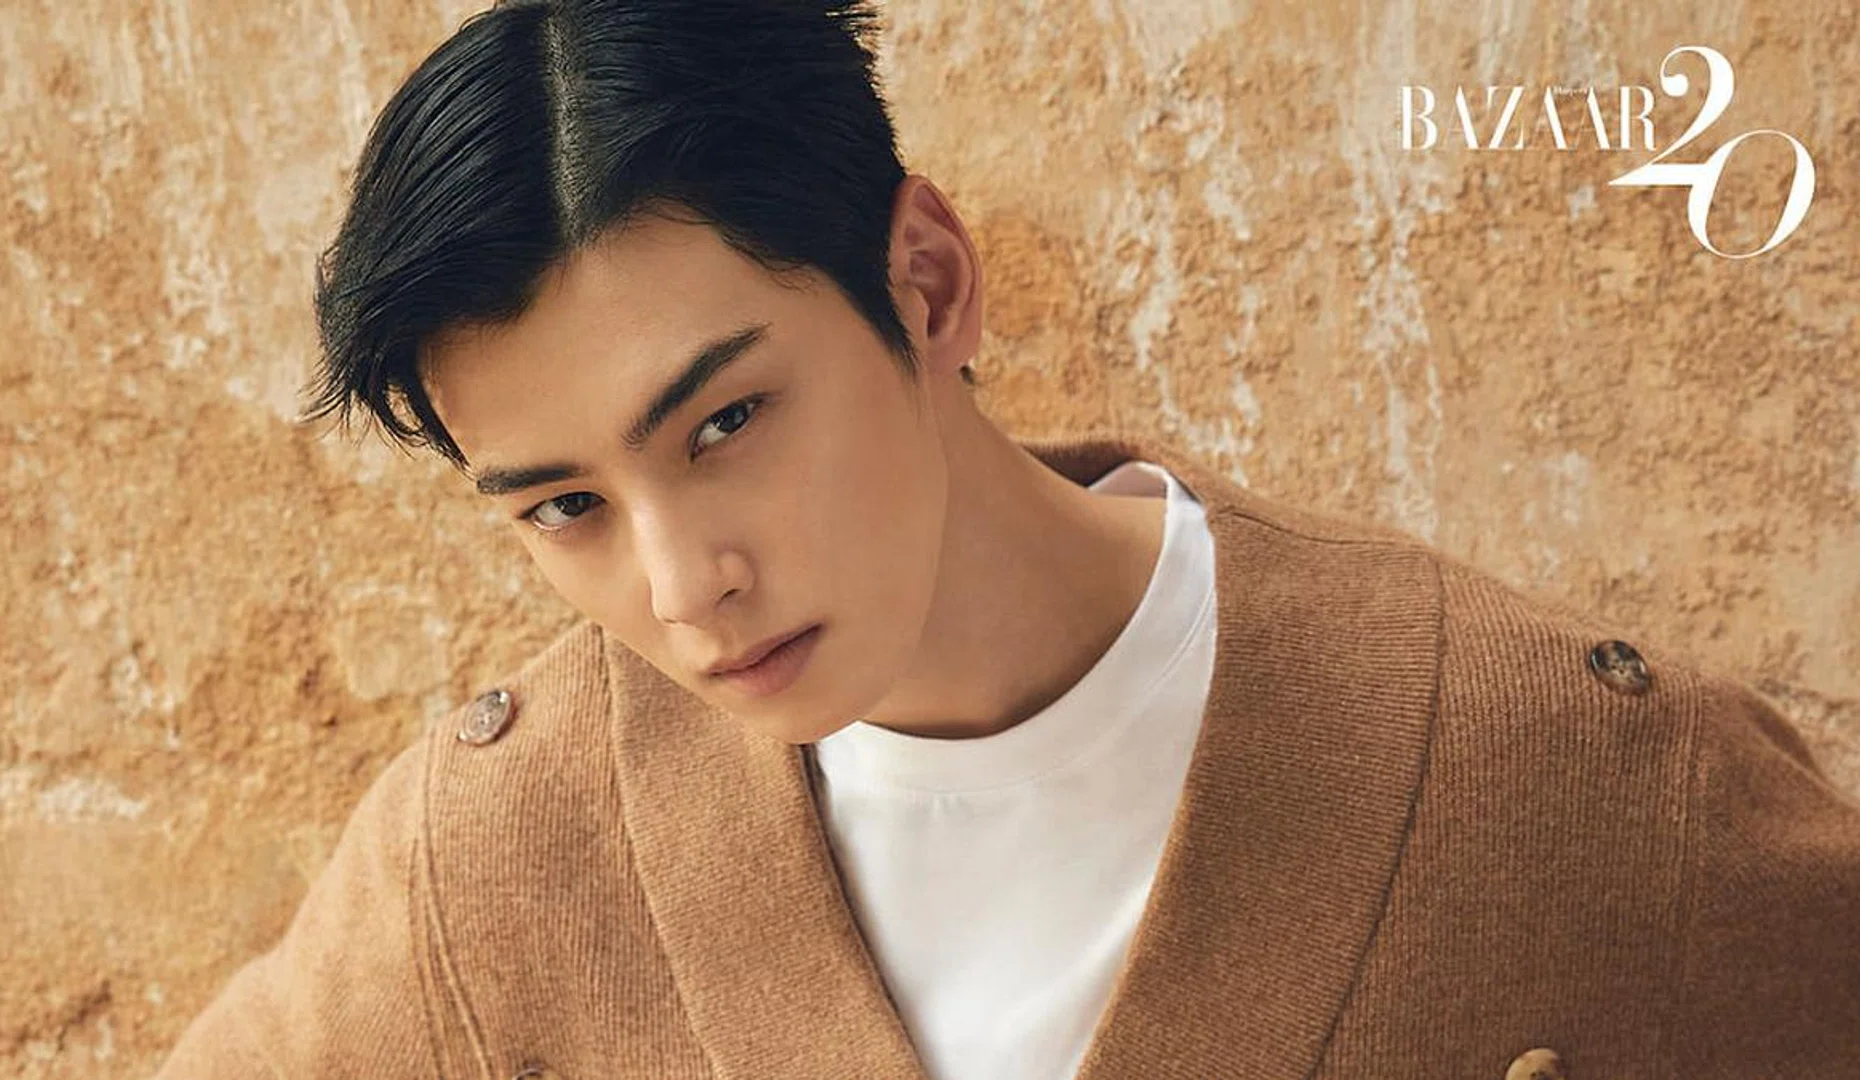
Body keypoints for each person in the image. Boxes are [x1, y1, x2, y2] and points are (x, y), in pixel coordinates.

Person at [154, 1, 1860, 1077]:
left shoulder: (1568, 775)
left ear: (928, 283)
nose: (683, 589)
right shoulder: (500, 858)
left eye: (726, 423)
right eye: (566, 508)